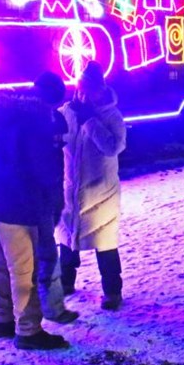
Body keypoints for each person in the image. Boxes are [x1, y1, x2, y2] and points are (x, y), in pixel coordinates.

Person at [0, 72, 74, 351]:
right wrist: (52, 202)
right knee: (24, 269)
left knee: (2, 264)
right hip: (19, 204)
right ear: (49, 101)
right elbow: (43, 171)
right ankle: (29, 330)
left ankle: (1, 320)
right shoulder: (36, 123)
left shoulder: (2, 113)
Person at [56, 61, 128, 311]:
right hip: (72, 189)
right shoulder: (68, 112)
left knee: (105, 244)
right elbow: (59, 139)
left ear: (100, 89)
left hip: (101, 194)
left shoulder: (111, 116)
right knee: (66, 240)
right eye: (80, 88)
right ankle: (65, 282)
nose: (83, 93)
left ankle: (112, 291)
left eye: (88, 88)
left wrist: (89, 121)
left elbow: (112, 147)